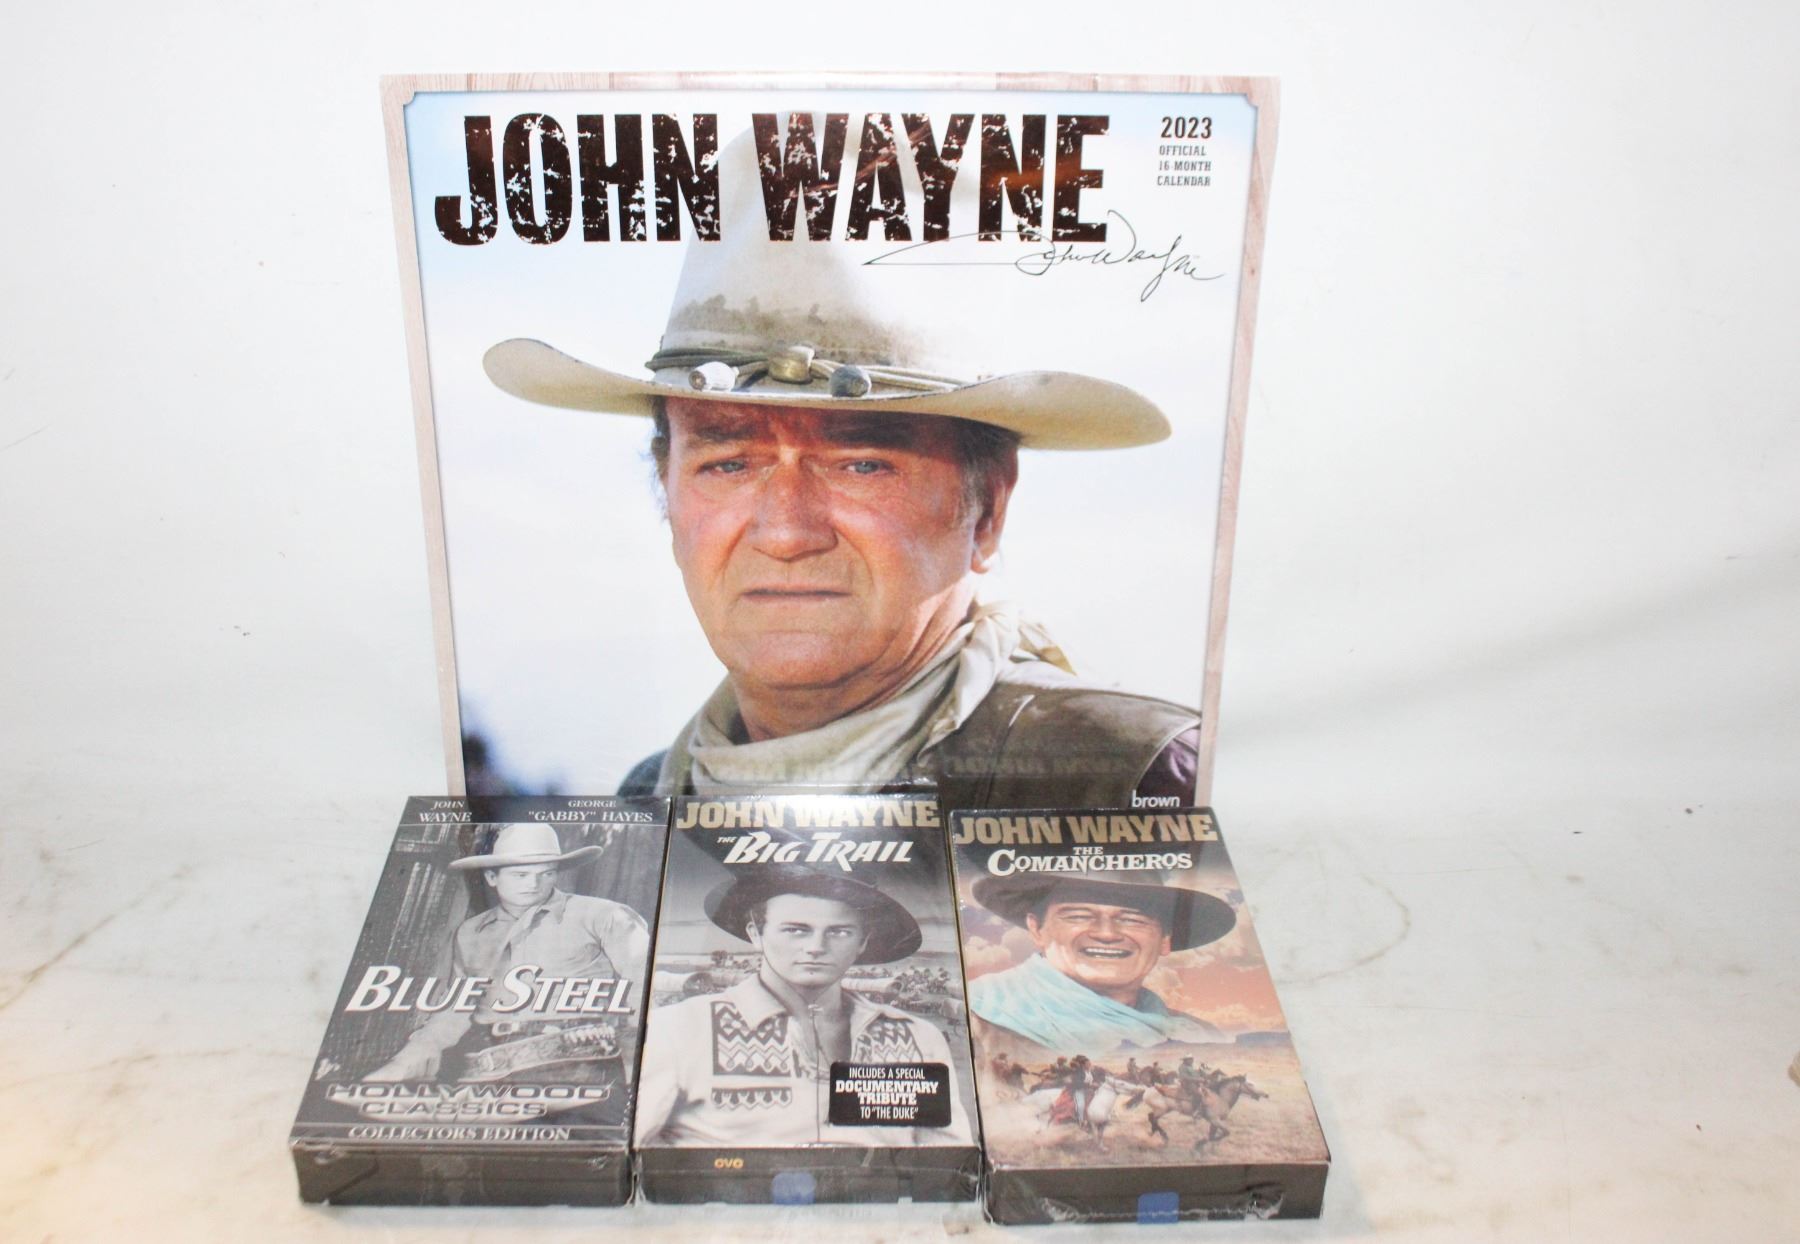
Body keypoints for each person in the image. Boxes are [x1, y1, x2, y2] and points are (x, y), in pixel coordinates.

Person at [481, 126, 1201, 809]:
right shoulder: (649, 798)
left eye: (861, 464)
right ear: (667, 498)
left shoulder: (1132, 779)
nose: (786, 533)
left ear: (988, 509)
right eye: (729, 463)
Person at [634, 863, 969, 1146]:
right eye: (796, 930)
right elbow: (632, 1154)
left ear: (863, 942)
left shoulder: (918, 1037)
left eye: (839, 932)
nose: (816, 947)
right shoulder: (678, 1029)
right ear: (755, 934)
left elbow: (948, 1159)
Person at [364, 823, 648, 1082]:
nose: (533, 884)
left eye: (546, 874)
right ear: (492, 877)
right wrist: (408, 1058)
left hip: (580, 1065)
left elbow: (645, 989)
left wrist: (641, 1067)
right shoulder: (471, 932)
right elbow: (457, 1007)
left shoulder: (604, 916)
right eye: (520, 875)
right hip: (484, 1067)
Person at [965, 867, 1235, 1056]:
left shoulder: (1199, 1035)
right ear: (1037, 929)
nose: (1107, 934)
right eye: (1078, 916)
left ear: (1165, 939)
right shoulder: (978, 1012)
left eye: (1133, 919)